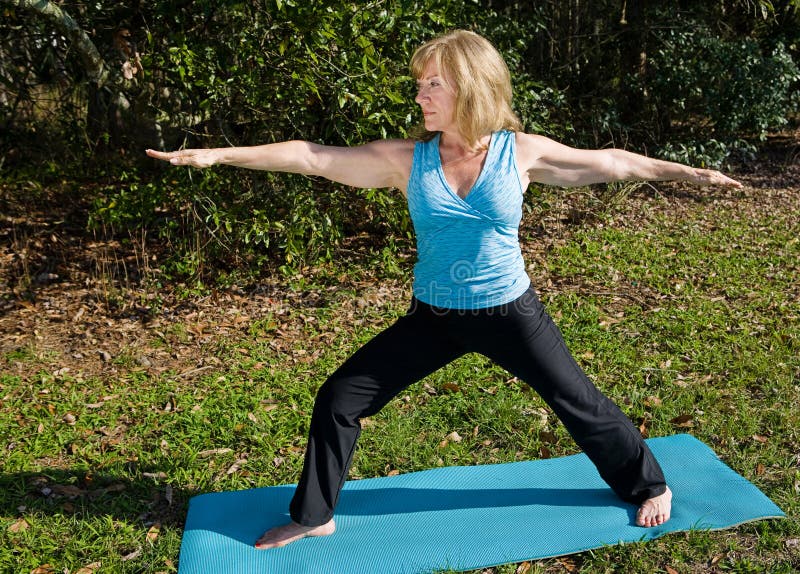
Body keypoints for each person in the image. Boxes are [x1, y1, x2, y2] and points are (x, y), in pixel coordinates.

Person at [147, 29, 742, 549]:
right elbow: (312, 157)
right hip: (435, 317)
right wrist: (219, 155)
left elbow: (612, 163)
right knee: (338, 399)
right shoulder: (408, 159)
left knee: (578, 404)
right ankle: (315, 515)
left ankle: (649, 483)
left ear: (470, 85)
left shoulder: (521, 151)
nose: (419, 95)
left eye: (433, 84)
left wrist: (689, 172)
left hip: (510, 312)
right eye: (420, 85)